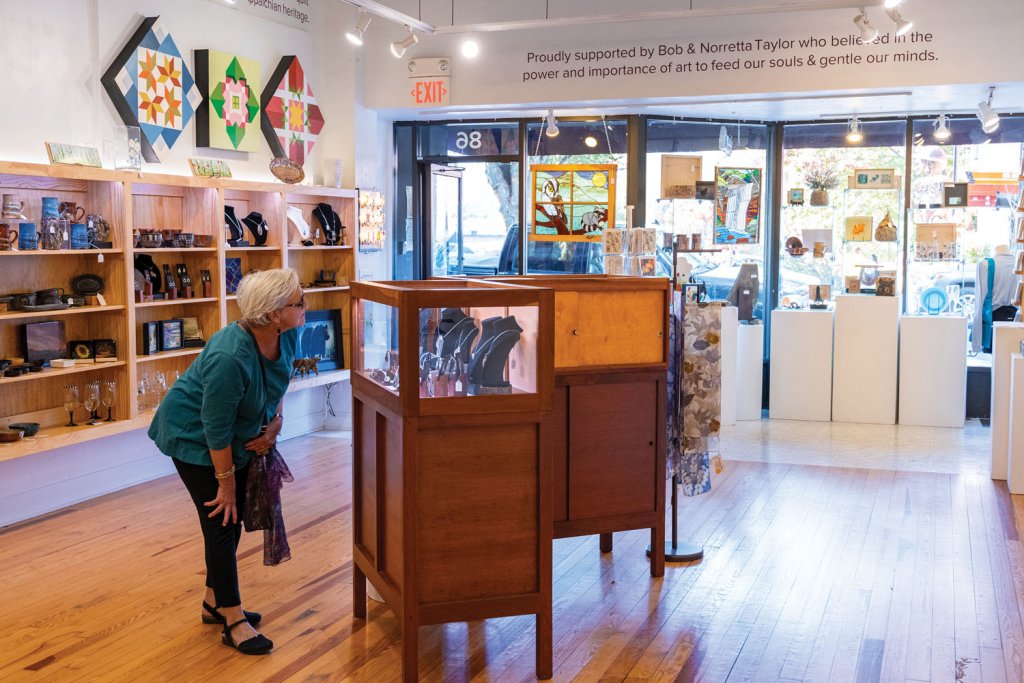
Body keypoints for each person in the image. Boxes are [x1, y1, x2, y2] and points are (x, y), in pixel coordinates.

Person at [148, 268, 305, 655]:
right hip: (193, 436)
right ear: (273, 313)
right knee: (222, 520)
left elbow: (278, 381)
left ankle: (212, 603)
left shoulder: (287, 333)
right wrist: (227, 483)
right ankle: (233, 619)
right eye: (298, 302)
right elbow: (214, 426)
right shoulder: (229, 356)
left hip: (235, 434)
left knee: (230, 524)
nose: (306, 306)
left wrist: (276, 423)